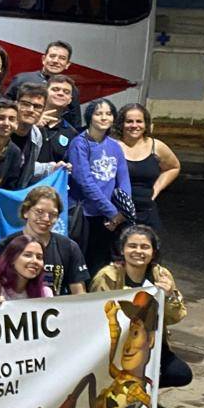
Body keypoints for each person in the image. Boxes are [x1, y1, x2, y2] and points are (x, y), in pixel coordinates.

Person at [89, 224, 192, 389]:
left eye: (145, 247)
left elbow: (176, 316)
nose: (138, 251)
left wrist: (169, 296)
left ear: (153, 253)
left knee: (181, 374)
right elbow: (95, 317)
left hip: (150, 344)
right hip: (115, 346)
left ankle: (143, 387)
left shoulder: (161, 275)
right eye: (132, 246)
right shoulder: (108, 276)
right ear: (122, 250)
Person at [68, 99, 132, 276]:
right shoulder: (79, 144)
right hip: (86, 215)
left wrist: (122, 211)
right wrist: (111, 212)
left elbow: (123, 180)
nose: (104, 117)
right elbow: (85, 181)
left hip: (111, 217)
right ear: (89, 117)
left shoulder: (115, 146)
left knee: (102, 263)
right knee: (82, 263)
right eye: (98, 113)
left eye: (108, 113)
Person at [0, 185, 88, 297]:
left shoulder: (69, 247)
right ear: (26, 212)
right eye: (39, 212)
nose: (46, 218)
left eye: (53, 214)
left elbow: (79, 294)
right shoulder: (5, 246)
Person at [117, 103, 179, 231]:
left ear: (146, 125)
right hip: (118, 215)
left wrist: (156, 190)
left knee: (147, 250)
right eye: (129, 121)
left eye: (139, 121)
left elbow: (173, 167)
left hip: (147, 212)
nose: (134, 125)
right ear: (121, 124)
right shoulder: (112, 146)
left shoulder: (157, 146)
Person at [10, 40, 81, 128]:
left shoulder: (71, 89)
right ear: (44, 59)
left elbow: (75, 121)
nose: (56, 61)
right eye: (52, 56)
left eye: (62, 58)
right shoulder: (22, 79)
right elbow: (4, 107)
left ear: (67, 64)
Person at [0, 235, 47, 305]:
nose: (35, 261)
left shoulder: (45, 293)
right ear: (12, 259)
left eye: (39, 257)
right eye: (27, 255)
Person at [38, 74, 78, 163]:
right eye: (55, 89)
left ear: (70, 100)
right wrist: (32, 126)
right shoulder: (28, 120)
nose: (60, 93)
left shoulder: (72, 133)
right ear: (45, 92)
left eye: (66, 92)